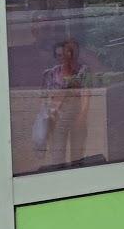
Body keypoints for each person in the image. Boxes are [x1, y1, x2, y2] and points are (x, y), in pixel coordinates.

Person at [34, 38, 91, 167]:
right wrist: (47, 116)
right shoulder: (50, 74)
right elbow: (43, 98)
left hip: (76, 116)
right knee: (57, 156)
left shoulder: (82, 71)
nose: (63, 57)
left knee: (77, 156)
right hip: (57, 119)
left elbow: (86, 94)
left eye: (67, 53)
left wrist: (82, 117)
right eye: (59, 55)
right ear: (55, 56)